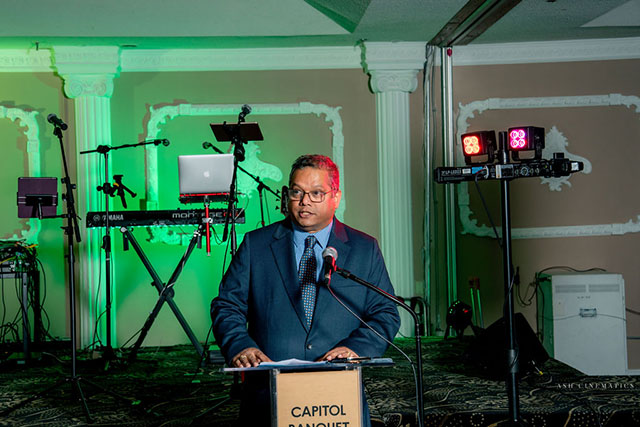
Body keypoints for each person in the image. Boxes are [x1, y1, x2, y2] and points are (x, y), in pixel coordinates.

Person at [211, 154, 401, 426]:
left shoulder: (364, 248)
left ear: (336, 197)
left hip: (338, 392)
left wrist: (355, 349)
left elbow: (385, 313)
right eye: (296, 192)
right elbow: (227, 306)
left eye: (316, 193)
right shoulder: (256, 245)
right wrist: (240, 346)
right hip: (268, 393)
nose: (304, 201)